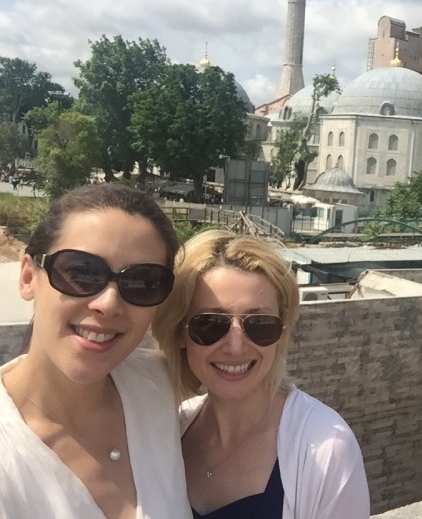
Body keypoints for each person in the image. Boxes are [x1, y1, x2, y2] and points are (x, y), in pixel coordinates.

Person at [0, 183, 192, 518]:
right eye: (81, 273)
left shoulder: (160, 386)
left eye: (142, 283)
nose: (108, 303)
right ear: (29, 277)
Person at [153, 230, 370, 519]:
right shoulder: (166, 433)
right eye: (210, 324)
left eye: (259, 324)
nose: (235, 346)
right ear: (180, 332)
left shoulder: (326, 448)